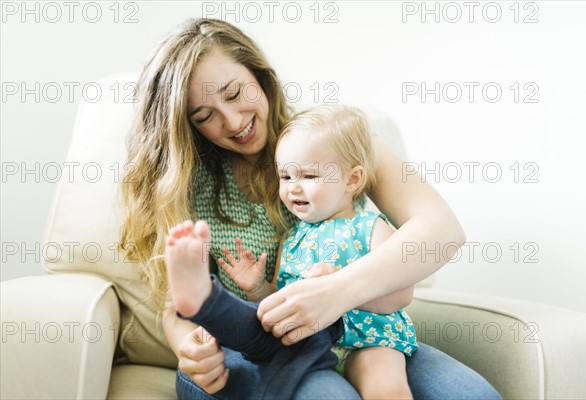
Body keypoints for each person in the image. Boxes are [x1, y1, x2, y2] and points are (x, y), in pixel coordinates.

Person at [120, 17, 501, 400]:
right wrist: (190, 349)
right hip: (246, 346)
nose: (233, 121)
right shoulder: (186, 180)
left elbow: (441, 229)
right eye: (205, 116)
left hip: (357, 330)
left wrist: (338, 290)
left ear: (259, 75)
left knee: (470, 394)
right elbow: (177, 306)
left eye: (235, 93)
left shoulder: (332, 140)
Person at [165, 105, 418, 399]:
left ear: (352, 179)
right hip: (302, 340)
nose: (294, 188)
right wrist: (258, 287)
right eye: (285, 177)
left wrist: (341, 281)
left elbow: (402, 294)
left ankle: (205, 300)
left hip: (368, 341)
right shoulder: (292, 239)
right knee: (254, 325)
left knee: (385, 388)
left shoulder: (370, 227)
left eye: (309, 176)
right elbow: (279, 298)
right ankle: (204, 299)